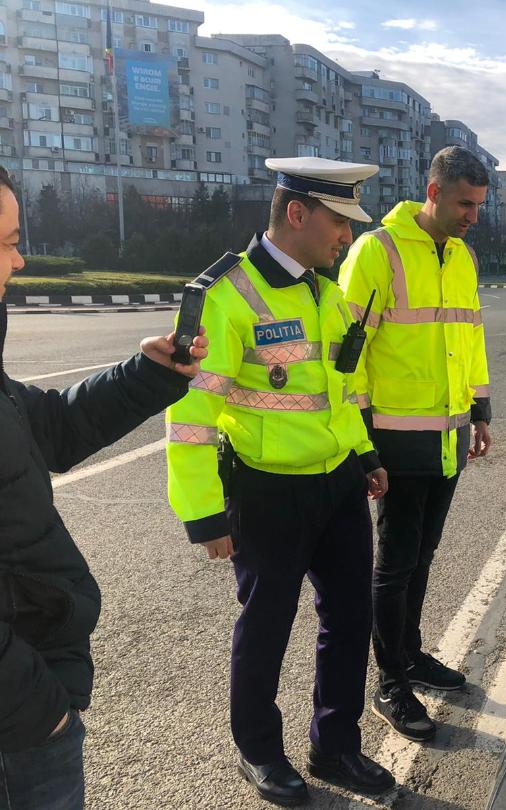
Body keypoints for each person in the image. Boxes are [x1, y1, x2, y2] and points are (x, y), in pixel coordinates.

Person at [165, 157, 395, 805]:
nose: (347, 237)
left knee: (350, 618)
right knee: (266, 625)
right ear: (297, 213)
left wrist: (365, 455)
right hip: (266, 492)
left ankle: (336, 745)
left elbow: (338, 393)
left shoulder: (326, 293)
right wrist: (203, 514)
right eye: (339, 222)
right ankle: (260, 751)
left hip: (338, 486)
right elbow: (190, 417)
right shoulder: (225, 296)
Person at [0, 165, 209, 809]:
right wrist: (37, 707)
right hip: (19, 722)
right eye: (7, 242)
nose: (20, 260)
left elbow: (50, 427)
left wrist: (148, 375)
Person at [338, 146, 493, 742]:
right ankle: (389, 681)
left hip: (448, 439)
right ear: (433, 192)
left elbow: (470, 337)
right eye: (464, 204)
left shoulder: (462, 256)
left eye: (478, 206)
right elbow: (345, 356)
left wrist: (480, 410)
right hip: (395, 444)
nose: (473, 216)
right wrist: (362, 443)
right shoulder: (376, 251)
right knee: (395, 565)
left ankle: (409, 654)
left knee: (422, 558)